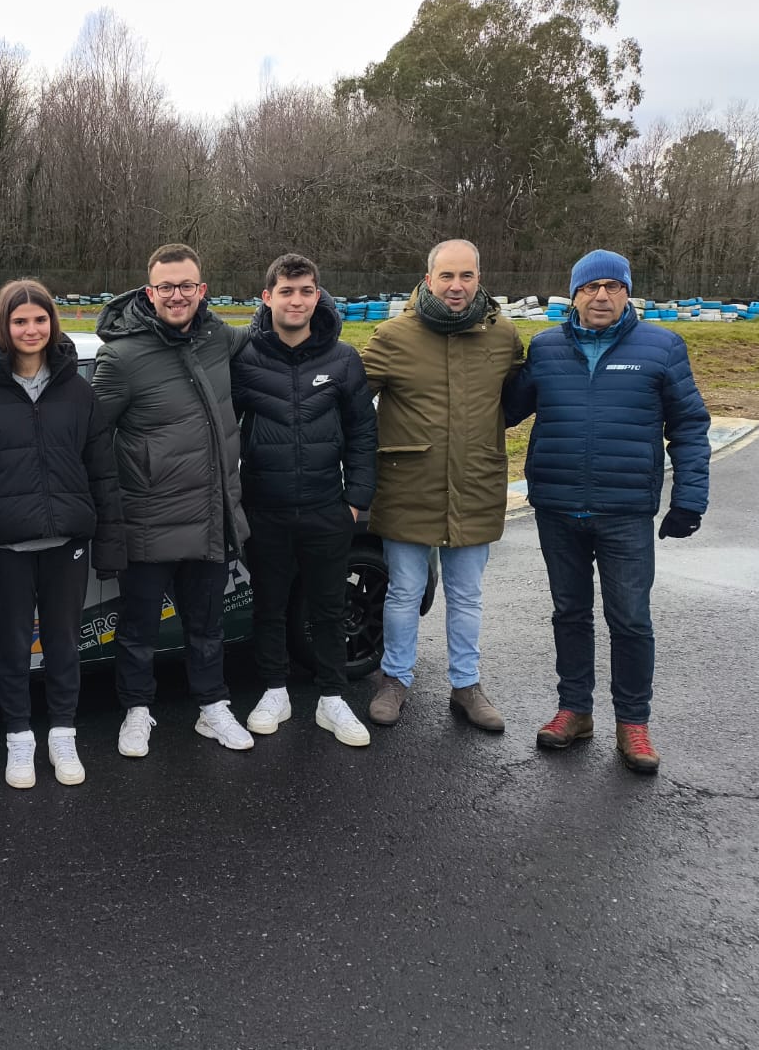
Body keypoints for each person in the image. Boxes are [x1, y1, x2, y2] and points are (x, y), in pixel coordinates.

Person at [505, 249, 709, 773]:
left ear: (627, 293)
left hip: (625, 511)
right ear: (572, 294)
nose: (601, 296)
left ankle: (633, 724)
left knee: (631, 620)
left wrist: (689, 498)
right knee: (569, 614)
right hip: (556, 507)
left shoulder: (661, 347)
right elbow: (502, 410)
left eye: (612, 287)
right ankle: (574, 710)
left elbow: (688, 426)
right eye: (590, 287)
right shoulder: (546, 348)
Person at [0, 280, 125, 788]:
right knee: (10, 647)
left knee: (65, 645)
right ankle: (19, 740)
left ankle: (63, 736)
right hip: (7, 548)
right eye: (20, 321)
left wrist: (109, 545)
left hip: (66, 545)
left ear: (53, 324)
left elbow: (102, 473)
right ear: (3, 327)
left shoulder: (77, 391)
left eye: (40, 319)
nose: (31, 329)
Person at [92, 243, 253, 756]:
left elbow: (273, 338)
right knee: (137, 629)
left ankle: (212, 707)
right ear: (149, 292)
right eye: (167, 287)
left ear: (202, 290)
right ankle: (137, 712)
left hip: (209, 516)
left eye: (187, 286)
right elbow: (92, 437)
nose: (177, 295)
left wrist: (315, 314)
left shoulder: (219, 337)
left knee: (206, 626)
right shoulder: (120, 356)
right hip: (147, 519)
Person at [360, 239, 524, 732]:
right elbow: (351, 404)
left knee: (467, 594)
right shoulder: (393, 336)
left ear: (479, 279)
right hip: (408, 487)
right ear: (428, 279)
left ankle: (466, 685)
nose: (457, 287)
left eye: (466, 276)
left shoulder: (503, 336)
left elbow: (514, 398)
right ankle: (394, 680)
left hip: (475, 484)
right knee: (404, 592)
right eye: (447, 277)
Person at [231, 254, 378, 745]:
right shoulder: (244, 358)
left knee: (329, 608)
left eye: (306, 291)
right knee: (269, 607)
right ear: (268, 296)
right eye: (287, 291)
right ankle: (275, 691)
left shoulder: (342, 359)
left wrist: (355, 501)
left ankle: (333, 700)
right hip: (264, 510)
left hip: (326, 508)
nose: (297, 300)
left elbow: (362, 432)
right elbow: (221, 430)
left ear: (318, 296)